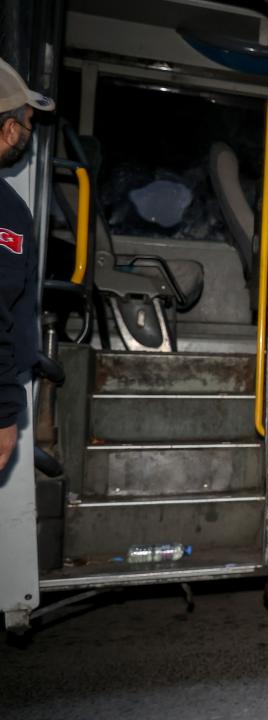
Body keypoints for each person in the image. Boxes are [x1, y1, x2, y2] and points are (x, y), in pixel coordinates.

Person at [0, 58, 55, 471]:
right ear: (9, 128)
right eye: (29, 123)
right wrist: (4, 410)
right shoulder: (7, 211)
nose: (29, 134)